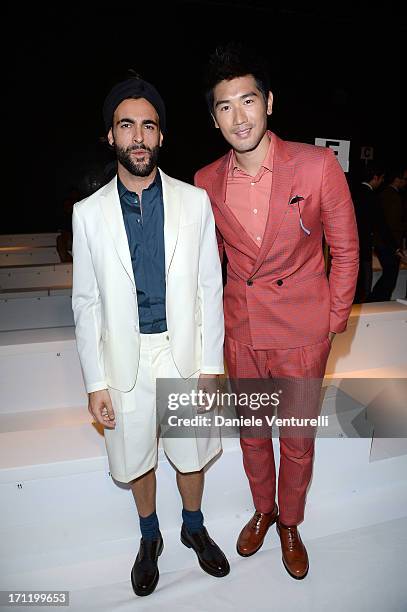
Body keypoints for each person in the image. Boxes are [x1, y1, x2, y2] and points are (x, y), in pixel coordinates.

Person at [195, 44, 359, 580]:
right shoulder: (205, 182)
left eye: (248, 101)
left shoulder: (317, 166)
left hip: (302, 332)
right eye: (225, 106)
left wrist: (331, 321)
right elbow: (205, 268)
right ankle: (263, 511)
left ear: (269, 103)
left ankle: (290, 521)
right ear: (214, 117)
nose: (238, 116)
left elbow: (346, 249)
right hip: (242, 332)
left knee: (297, 437)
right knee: (251, 434)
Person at [72, 75, 230, 597]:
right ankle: (149, 537)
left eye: (148, 125)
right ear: (110, 136)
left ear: (161, 137)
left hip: (182, 353)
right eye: (126, 126)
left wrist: (211, 368)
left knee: (189, 452)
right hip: (124, 356)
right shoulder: (88, 214)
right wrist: (95, 383)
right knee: (136, 456)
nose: (138, 136)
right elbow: (86, 303)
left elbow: (211, 287)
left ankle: (192, 526)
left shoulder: (194, 203)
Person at [369, 166, 407, 301]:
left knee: (389, 275)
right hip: (389, 243)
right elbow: (392, 224)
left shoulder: (384, 194)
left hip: (383, 242)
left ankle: (375, 301)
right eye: (404, 179)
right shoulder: (393, 197)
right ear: (397, 179)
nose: (406, 182)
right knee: (390, 276)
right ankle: (376, 301)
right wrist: (397, 247)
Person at [352, 164, 384, 302]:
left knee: (354, 279)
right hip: (364, 244)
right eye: (382, 179)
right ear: (375, 178)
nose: (382, 182)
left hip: (351, 244)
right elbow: (378, 224)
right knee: (365, 280)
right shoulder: (371, 196)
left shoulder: (353, 192)